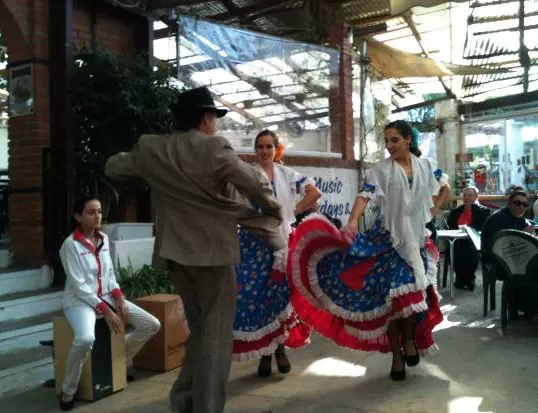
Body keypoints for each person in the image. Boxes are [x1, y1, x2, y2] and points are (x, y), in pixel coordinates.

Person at [105, 87, 284, 413]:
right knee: (216, 338)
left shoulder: (154, 149)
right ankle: (207, 407)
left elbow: (113, 167)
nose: (215, 125)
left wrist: (147, 163)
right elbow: (254, 185)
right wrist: (274, 211)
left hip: (176, 255)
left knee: (201, 332)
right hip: (214, 256)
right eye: (214, 118)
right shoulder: (215, 148)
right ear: (205, 118)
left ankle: (184, 400)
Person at [288, 120, 450, 381]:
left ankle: (409, 339)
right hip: (389, 241)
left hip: (417, 240)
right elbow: (365, 195)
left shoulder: (426, 166)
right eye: (386, 141)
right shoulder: (380, 171)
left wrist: (433, 210)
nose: (389, 146)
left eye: (394, 140)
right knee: (398, 300)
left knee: (411, 298)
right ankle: (398, 354)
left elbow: (445, 187)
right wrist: (352, 221)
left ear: (408, 139)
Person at [58, 196, 161, 411]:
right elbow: (78, 286)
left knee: (151, 324)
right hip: (79, 302)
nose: (97, 216)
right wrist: (106, 310)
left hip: (107, 295)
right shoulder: (70, 246)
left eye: (99, 211)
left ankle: (118, 364)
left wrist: (120, 298)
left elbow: (110, 273)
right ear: (79, 217)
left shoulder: (103, 238)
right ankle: (69, 388)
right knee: (86, 338)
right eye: (91, 212)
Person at [233, 130, 320, 376]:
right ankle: (265, 354)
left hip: (281, 241)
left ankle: (279, 350)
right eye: (260, 147)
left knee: (279, 296)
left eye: (269, 146)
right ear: (255, 150)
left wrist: (291, 212)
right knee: (256, 297)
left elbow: (315, 193)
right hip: (253, 243)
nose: (264, 151)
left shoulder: (287, 174)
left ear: (276, 149)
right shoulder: (248, 174)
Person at [481, 186, 535, 317]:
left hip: (511, 258)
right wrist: (524, 233)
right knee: (532, 269)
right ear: (509, 203)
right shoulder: (500, 219)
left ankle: (527, 306)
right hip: (496, 261)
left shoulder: (520, 219)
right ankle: (525, 307)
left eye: (525, 204)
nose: (521, 207)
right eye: (517, 203)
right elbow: (505, 245)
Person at [447, 186, 491, 290]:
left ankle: (469, 278)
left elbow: (483, 227)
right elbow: (450, 226)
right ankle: (460, 278)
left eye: (470, 195)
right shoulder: (456, 211)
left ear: (476, 197)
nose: (467, 198)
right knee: (455, 250)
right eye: (465, 196)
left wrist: (469, 229)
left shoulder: (483, 211)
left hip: (474, 240)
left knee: (470, 251)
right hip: (457, 240)